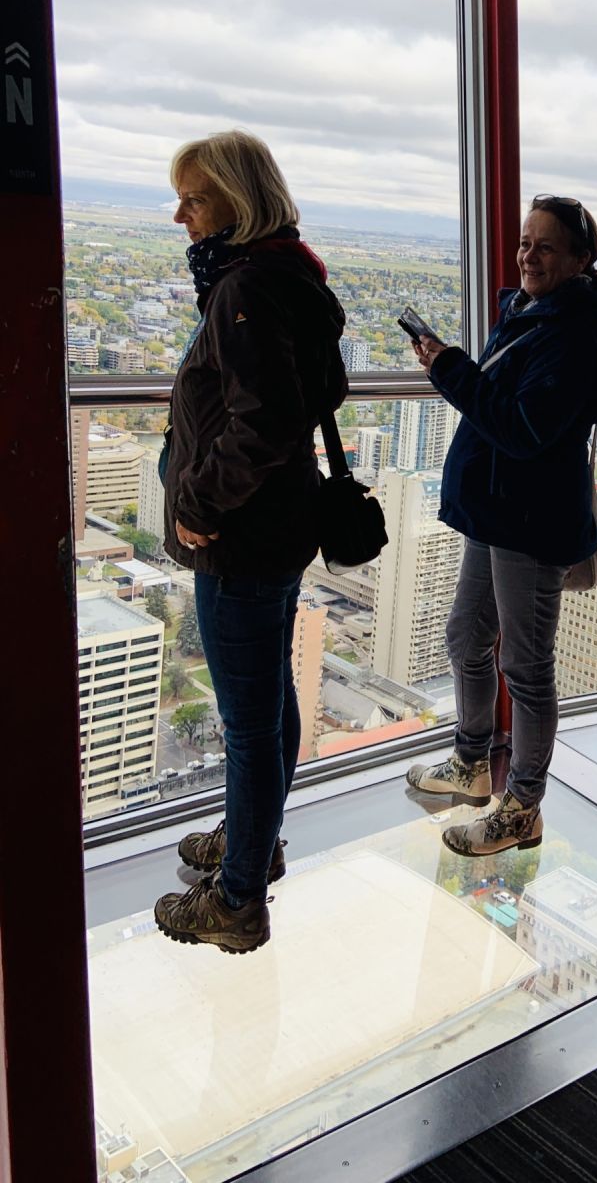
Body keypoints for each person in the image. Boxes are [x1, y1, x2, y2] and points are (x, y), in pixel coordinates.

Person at [153, 131, 348, 953]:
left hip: (240, 535)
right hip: (277, 527)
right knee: (270, 705)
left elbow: (262, 420)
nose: (181, 216)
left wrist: (198, 500)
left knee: (248, 723)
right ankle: (252, 841)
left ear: (237, 200)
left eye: (194, 199)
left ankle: (236, 900)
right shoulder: (291, 275)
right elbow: (315, 392)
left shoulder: (245, 287)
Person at [406, 195, 597, 854]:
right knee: (466, 636)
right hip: (499, 511)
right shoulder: (532, 313)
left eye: (545, 246)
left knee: (526, 667)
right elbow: (504, 404)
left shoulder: (574, 334)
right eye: (526, 242)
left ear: (580, 260)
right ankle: (472, 763)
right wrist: (454, 368)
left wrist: (449, 368)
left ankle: (523, 806)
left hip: (531, 521)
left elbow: (523, 428)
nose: (528, 255)